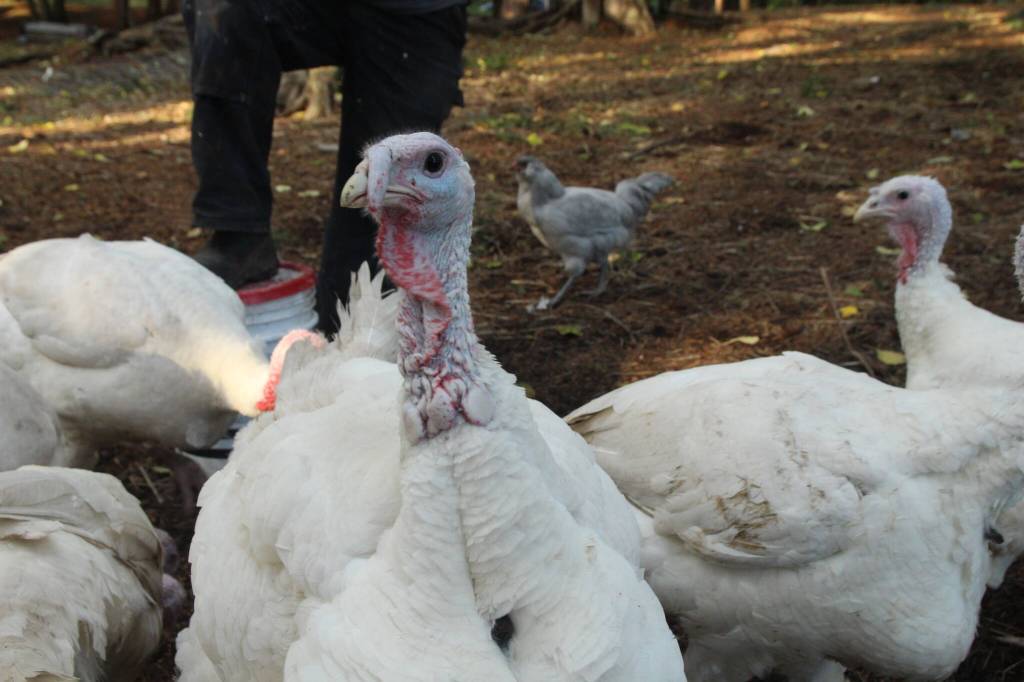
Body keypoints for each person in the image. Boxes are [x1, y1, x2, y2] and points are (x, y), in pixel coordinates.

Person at [182, 0, 468, 334]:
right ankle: (237, 232)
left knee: (363, 266)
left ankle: (360, 349)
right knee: (227, 11)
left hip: (416, 14)